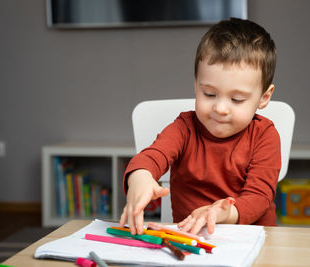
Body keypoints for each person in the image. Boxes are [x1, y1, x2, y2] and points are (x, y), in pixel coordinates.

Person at [120, 17, 280, 235]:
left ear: (264, 97)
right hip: (192, 240)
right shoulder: (184, 128)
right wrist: (140, 177)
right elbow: (151, 157)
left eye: (237, 99)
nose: (221, 108)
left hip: (255, 239)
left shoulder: (264, 135)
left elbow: (259, 196)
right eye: (209, 94)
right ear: (196, 86)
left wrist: (224, 213)